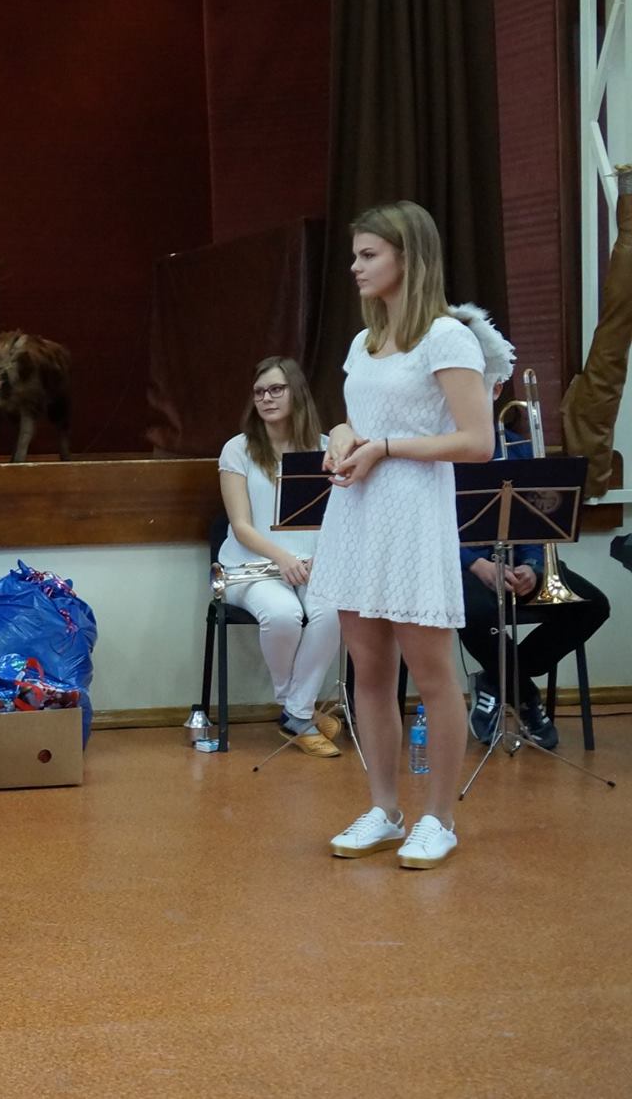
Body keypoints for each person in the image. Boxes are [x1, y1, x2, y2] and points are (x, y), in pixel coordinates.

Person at [310, 201, 495, 871]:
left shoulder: (446, 337)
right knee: (369, 670)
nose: (355, 267)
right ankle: (384, 809)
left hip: (413, 514)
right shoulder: (364, 341)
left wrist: (386, 447)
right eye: (355, 255)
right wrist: (341, 436)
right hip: (358, 513)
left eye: (369, 255)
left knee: (433, 674)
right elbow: (357, 418)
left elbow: (477, 441)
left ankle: (438, 818)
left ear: (408, 258)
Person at [458, 379, 612, 750]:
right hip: (461, 565)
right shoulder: (437, 453)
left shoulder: (519, 449)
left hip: (516, 560)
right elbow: (428, 527)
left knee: (593, 606)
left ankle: (497, 683)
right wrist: (476, 564)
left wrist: (532, 565)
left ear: (497, 389)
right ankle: (525, 696)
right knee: (476, 614)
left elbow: (536, 520)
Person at [217, 357, 343, 757]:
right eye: (259, 392)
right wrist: (284, 559)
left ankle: (296, 712)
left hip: (311, 565)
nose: (266, 398)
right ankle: (298, 710)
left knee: (333, 612)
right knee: (284, 614)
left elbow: (338, 518)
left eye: (276, 389)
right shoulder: (238, 449)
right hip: (250, 567)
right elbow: (242, 526)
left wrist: (319, 559)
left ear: (296, 393)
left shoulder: (325, 447)